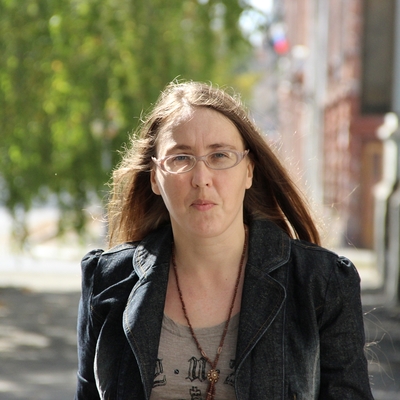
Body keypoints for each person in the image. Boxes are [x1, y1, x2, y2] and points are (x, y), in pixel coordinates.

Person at [75, 81, 374, 400]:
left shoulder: (321, 283)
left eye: (219, 155)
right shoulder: (108, 281)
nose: (201, 178)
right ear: (155, 178)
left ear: (249, 171)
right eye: (181, 158)